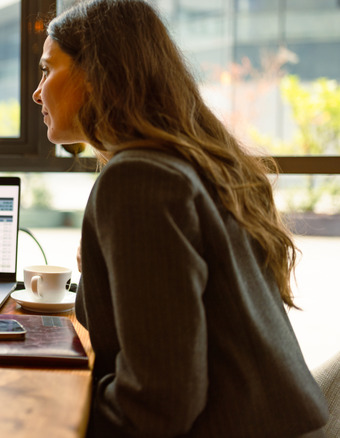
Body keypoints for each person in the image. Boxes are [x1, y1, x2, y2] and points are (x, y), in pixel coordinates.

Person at [32, 1, 329, 436]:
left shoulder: (138, 179)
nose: (37, 92)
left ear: (95, 76)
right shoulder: (196, 166)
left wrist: (49, 417)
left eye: (46, 69)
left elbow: (158, 402)